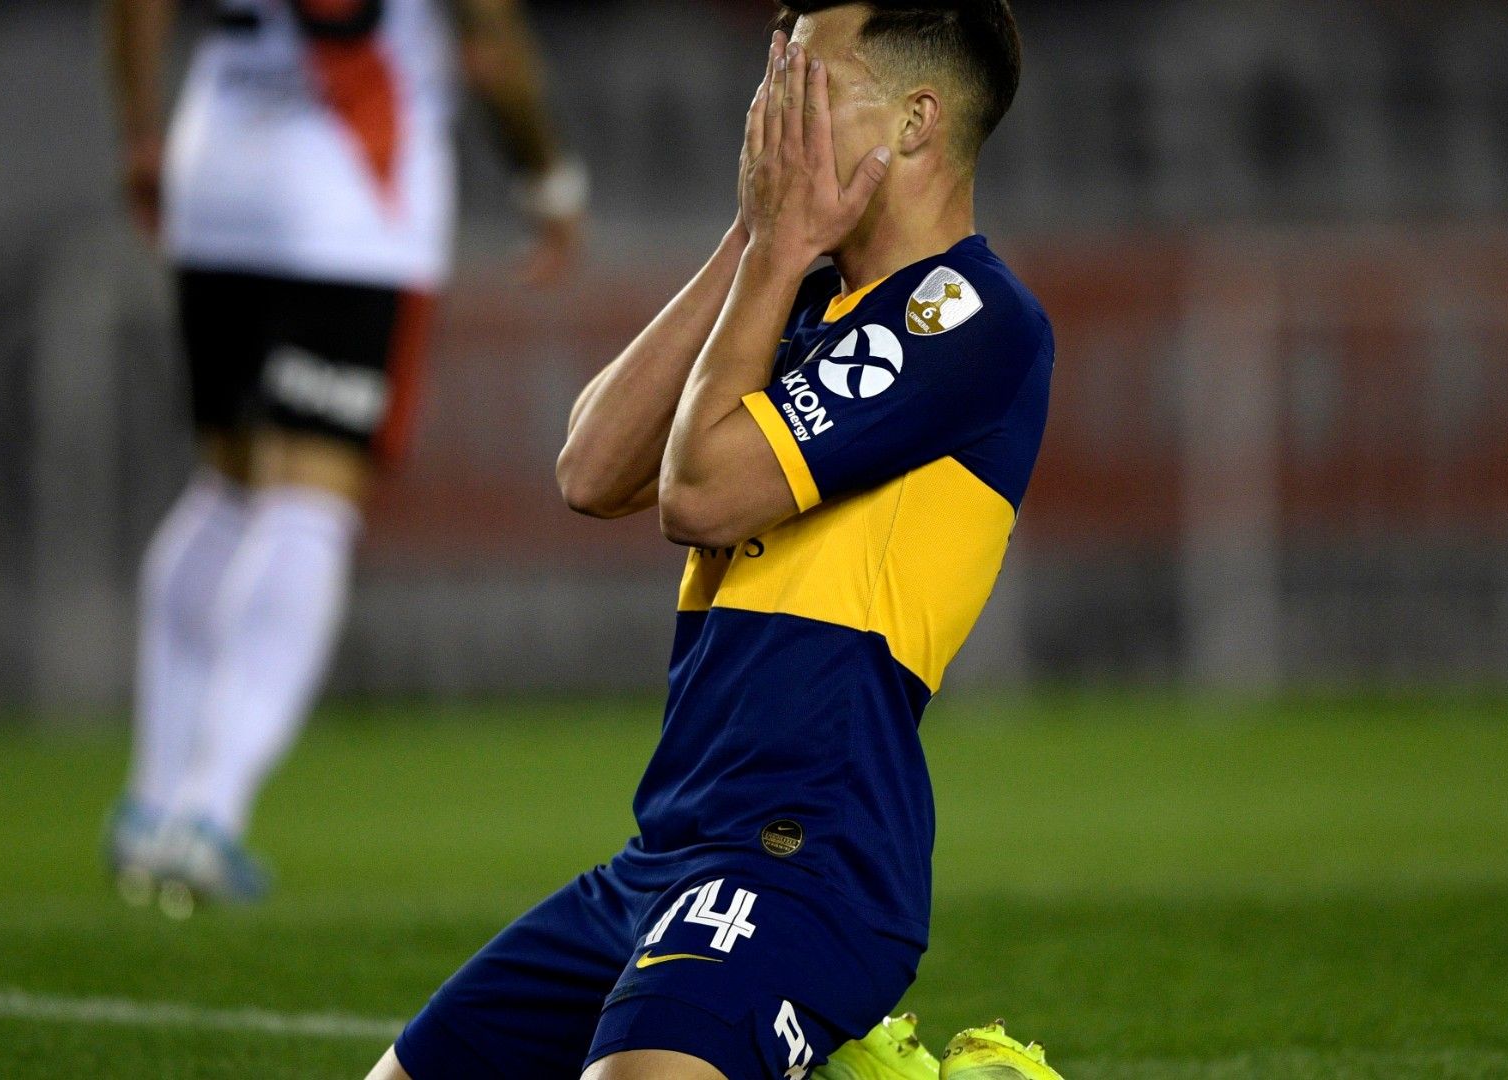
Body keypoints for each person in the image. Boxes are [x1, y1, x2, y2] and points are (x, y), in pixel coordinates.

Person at [368, 2, 1060, 1077]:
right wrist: (757, 242)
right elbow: (591, 471)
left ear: (917, 123)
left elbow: (697, 494)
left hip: (807, 856)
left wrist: (778, 248)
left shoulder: (968, 312)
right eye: (767, 76)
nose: (768, 111)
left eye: (806, 81)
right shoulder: (795, 297)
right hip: (668, 851)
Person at [102, 0, 586, 913]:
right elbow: (486, 34)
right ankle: (208, 816)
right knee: (310, 500)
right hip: (352, 177)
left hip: (216, 157)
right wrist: (547, 174)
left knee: (230, 485)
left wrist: (138, 131)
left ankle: (151, 799)